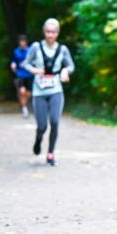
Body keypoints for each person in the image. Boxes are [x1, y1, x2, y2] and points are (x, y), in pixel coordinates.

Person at [22, 18, 75, 166]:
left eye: (53, 32)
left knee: (55, 121)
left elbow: (71, 66)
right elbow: (25, 63)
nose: (50, 35)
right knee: (42, 126)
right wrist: (34, 70)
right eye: (48, 31)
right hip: (39, 91)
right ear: (44, 32)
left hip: (55, 89)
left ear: (57, 33)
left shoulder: (63, 49)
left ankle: (50, 154)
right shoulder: (36, 47)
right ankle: (38, 139)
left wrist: (65, 70)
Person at [10, 35, 33, 118]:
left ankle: (24, 104)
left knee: (28, 94)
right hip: (20, 74)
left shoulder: (30, 50)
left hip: (30, 74)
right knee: (22, 92)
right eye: (21, 42)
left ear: (26, 42)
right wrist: (13, 65)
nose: (22, 43)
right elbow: (13, 61)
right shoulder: (16, 52)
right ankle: (24, 109)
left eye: (24, 42)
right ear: (19, 43)